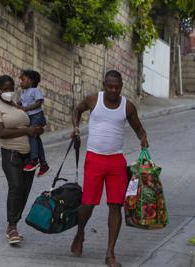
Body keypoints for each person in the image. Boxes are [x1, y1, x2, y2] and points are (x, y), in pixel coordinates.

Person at [70, 70, 149, 267]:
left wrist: (143, 138)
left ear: (121, 87)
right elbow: (77, 110)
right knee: (88, 204)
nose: (113, 90)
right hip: (94, 159)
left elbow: (138, 127)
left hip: (116, 162)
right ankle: (80, 233)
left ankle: (110, 253)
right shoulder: (92, 100)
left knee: (115, 206)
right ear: (104, 84)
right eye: (109, 86)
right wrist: (76, 128)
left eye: (117, 87)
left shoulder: (127, 106)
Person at [0, 75, 44, 244]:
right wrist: (26, 132)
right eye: (5, 89)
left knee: (24, 190)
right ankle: (12, 226)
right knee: (16, 186)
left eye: (11, 88)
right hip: (11, 154)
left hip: (28, 157)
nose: (9, 92)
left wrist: (36, 130)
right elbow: (0, 133)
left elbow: (29, 125)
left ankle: (15, 222)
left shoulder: (19, 106)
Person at [17, 70, 51, 177]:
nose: (20, 82)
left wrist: (25, 108)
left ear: (31, 81)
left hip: (37, 116)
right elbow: (20, 103)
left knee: (32, 135)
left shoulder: (34, 90)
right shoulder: (24, 92)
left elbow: (38, 103)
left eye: (23, 80)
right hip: (30, 118)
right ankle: (44, 164)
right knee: (35, 138)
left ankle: (34, 160)